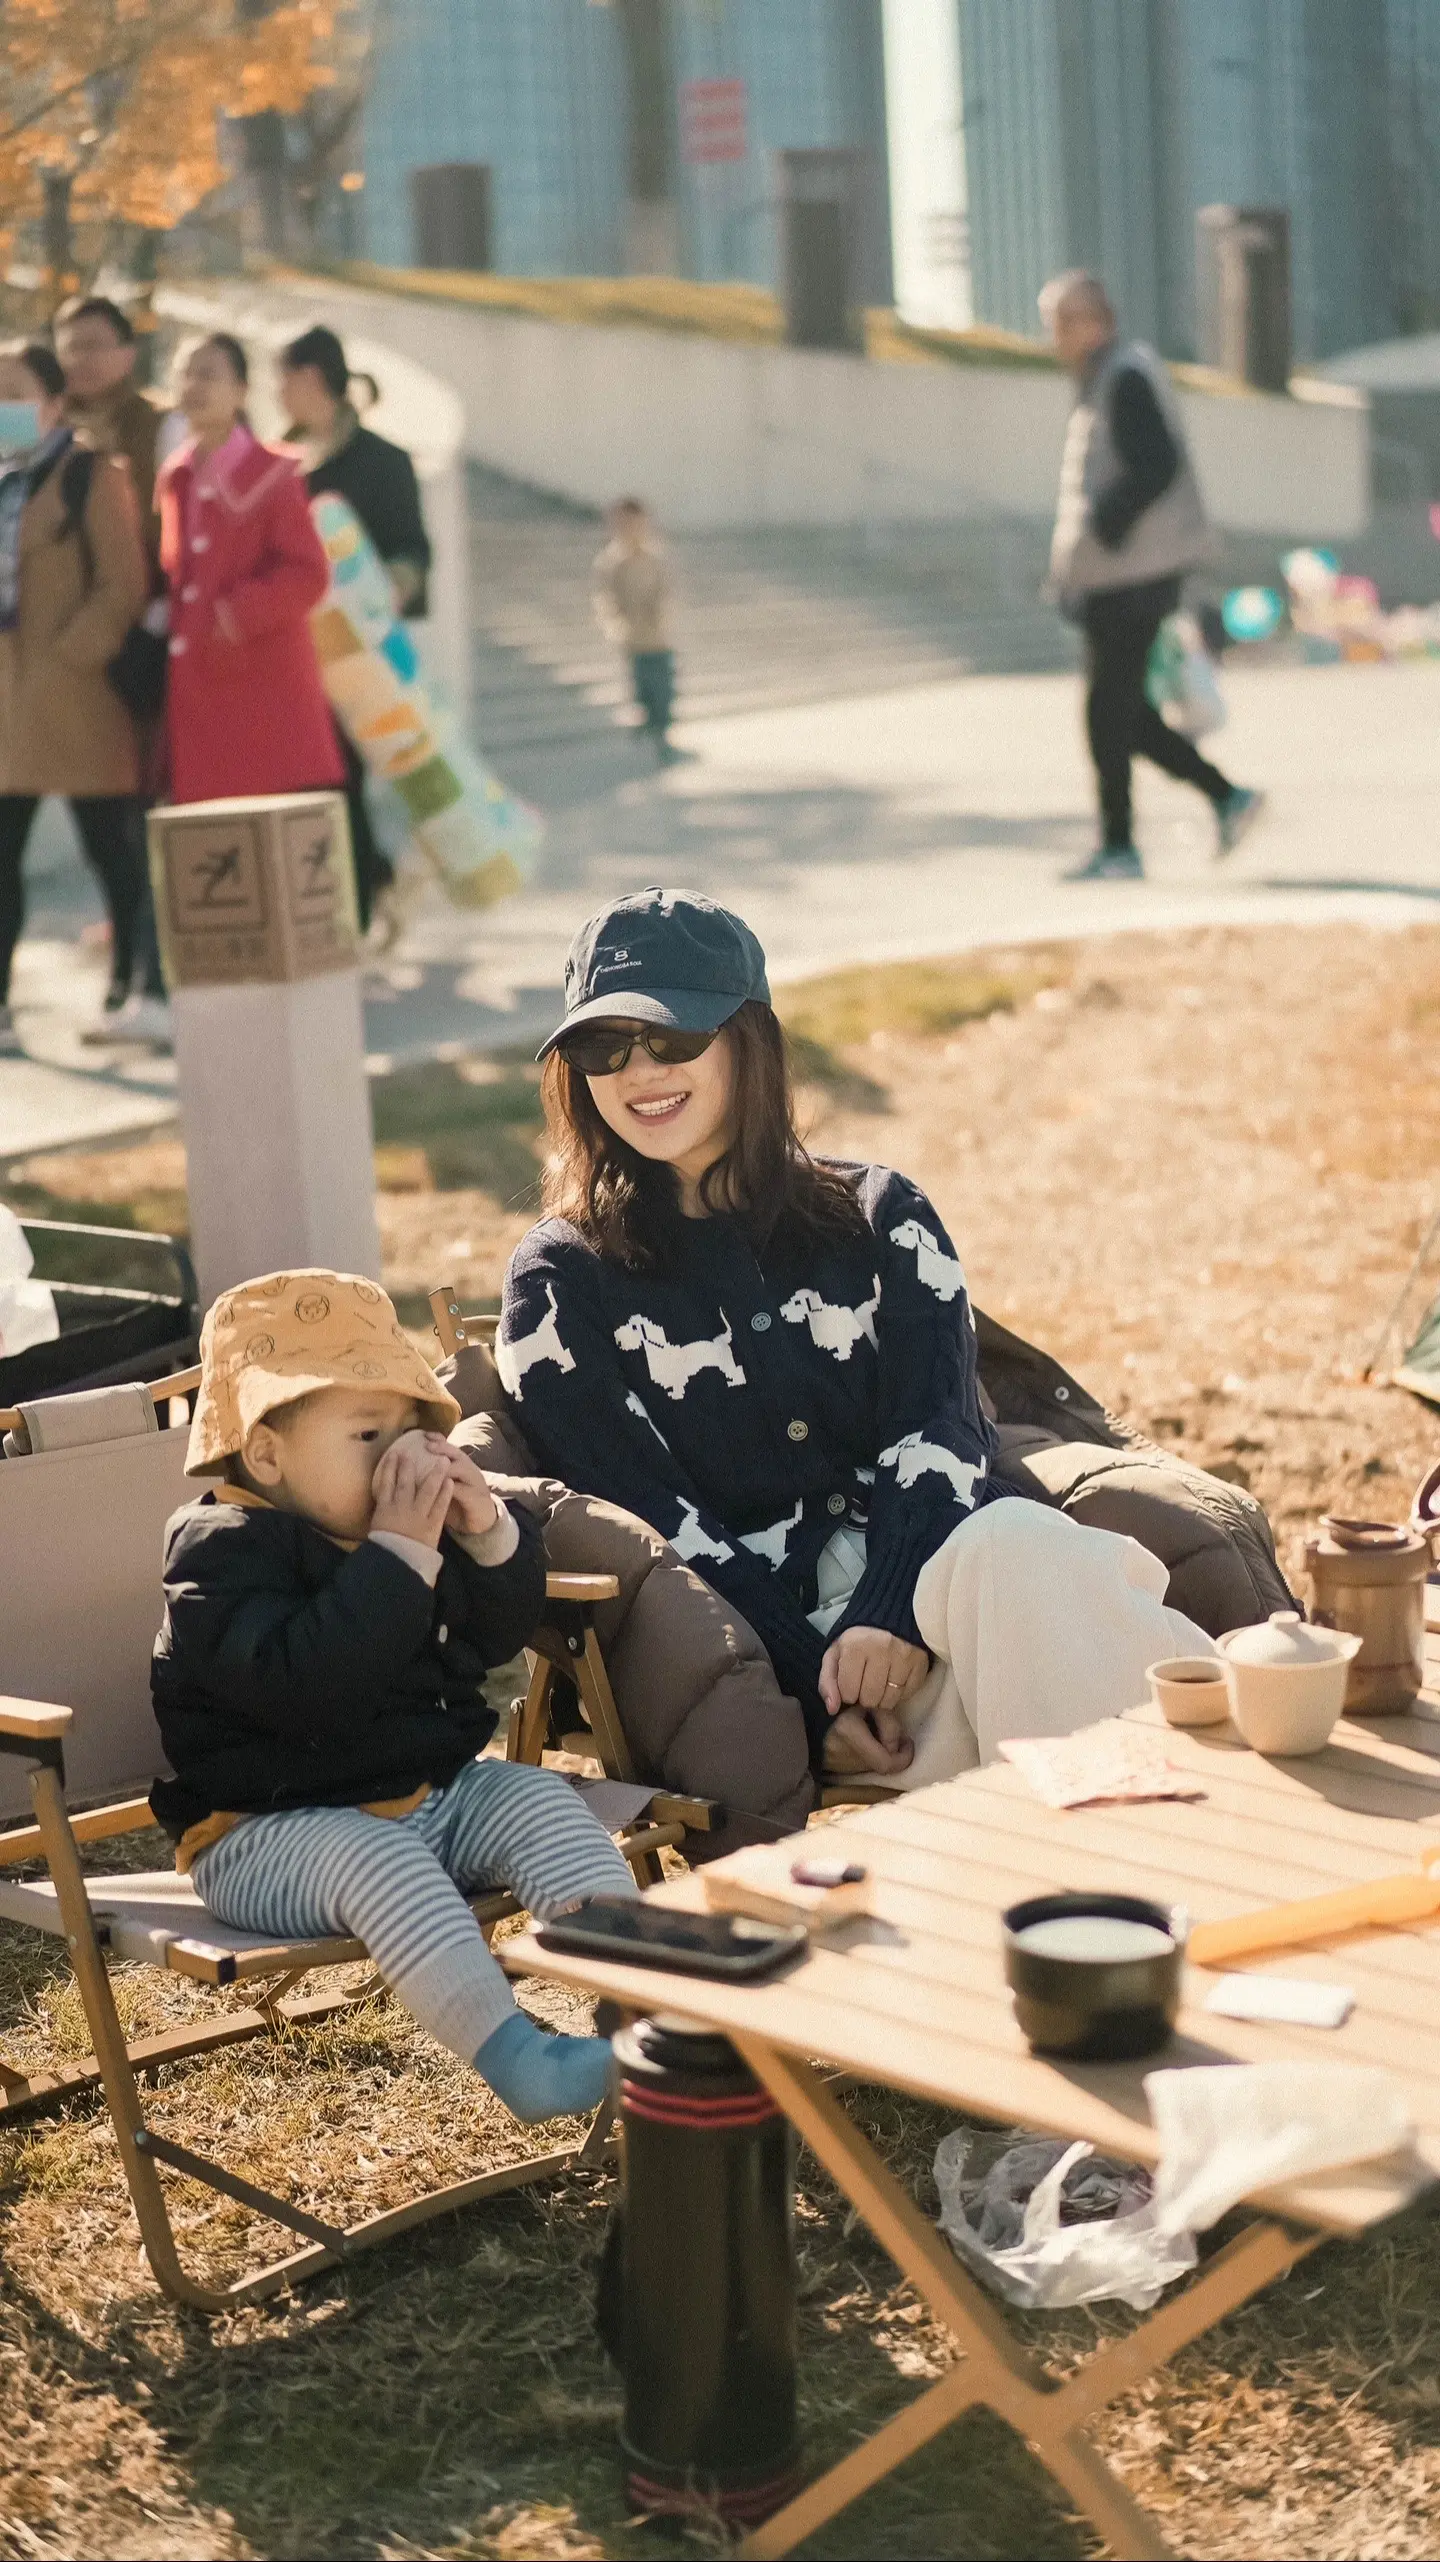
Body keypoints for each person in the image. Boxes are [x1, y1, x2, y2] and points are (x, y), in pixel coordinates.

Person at [496, 887, 1213, 1808]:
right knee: (1096, 1639)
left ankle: (1154, 1852)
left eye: (673, 1038)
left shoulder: (881, 1215)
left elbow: (940, 1426)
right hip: (799, 1654)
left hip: (956, 1587)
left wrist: (891, 1611)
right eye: (606, 1046)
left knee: (1024, 1552)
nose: (640, 1071)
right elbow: (652, 1518)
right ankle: (1207, 1834)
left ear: (749, 1041)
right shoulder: (560, 1281)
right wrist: (810, 1682)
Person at [150, 1269, 632, 2126]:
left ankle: (643, 2016)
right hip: (266, 1833)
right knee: (380, 1859)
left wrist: (487, 1537)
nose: (401, 1458)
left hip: (430, 1794)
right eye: (370, 1433)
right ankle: (520, 2060)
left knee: (542, 1802)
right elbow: (303, 1689)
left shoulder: (393, 1528)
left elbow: (491, 1637)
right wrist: (397, 1558)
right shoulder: (219, 1554)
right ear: (267, 1454)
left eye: (414, 1431)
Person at [1041, 271, 1264, 882]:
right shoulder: (1107, 376)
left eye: (1062, 323)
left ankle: (1123, 846)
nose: (1054, 338)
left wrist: (1106, 527)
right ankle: (1224, 797)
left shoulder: (1124, 376)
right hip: (1119, 578)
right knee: (1121, 712)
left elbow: (1155, 463)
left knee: (1108, 712)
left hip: (1132, 579)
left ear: (1095, 321)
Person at [0, 340, 148, 1059]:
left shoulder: (91, 474)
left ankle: (129, 980)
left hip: (81, 697)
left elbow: (121, 584)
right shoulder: (3, 479)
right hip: (9, 705)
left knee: (110, 851)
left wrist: (68, 652)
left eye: (15, 390)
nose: (3, 406)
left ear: (54, 402)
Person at [277, 324, 433, 934]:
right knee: (308, 788)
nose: (278, 392)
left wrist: (387, 584)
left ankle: (359, 918)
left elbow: (412, 551)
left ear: (311, 379)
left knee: (341, 781)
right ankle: (367, 886)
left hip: (356, 663)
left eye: (282, 379)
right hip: (286, 658)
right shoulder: (277, 463)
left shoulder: (382, 462)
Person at [55, 294, 174, 1044]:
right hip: (67, 670)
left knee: (134, 826)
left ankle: (141, 974)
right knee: (100, 829)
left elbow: (165, 539)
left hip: (137, 655)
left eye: (97, 344)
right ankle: (130, 967)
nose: (83, 359)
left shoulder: (155, 428)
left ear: (128, 353)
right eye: (71, 346)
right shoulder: (49, 428)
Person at [156, 334, 344, 807]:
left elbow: (307, 573)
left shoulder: (271, 472)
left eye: (210, 374)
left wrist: (232, 616)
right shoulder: (176, 474)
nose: (194, 385)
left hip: (263, 687)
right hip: (200, 686)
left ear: (241, 391)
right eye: (186, 373)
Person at [592, 498, 679, 764]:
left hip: (658, 637)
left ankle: (661, 734)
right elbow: (605, 599)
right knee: (643, 688)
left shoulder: (655, 557)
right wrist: (616, 625)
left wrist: (662, 616)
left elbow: (668, 592)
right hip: (633, 638)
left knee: (663, 688)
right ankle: (649, 730)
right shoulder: (612, 561)